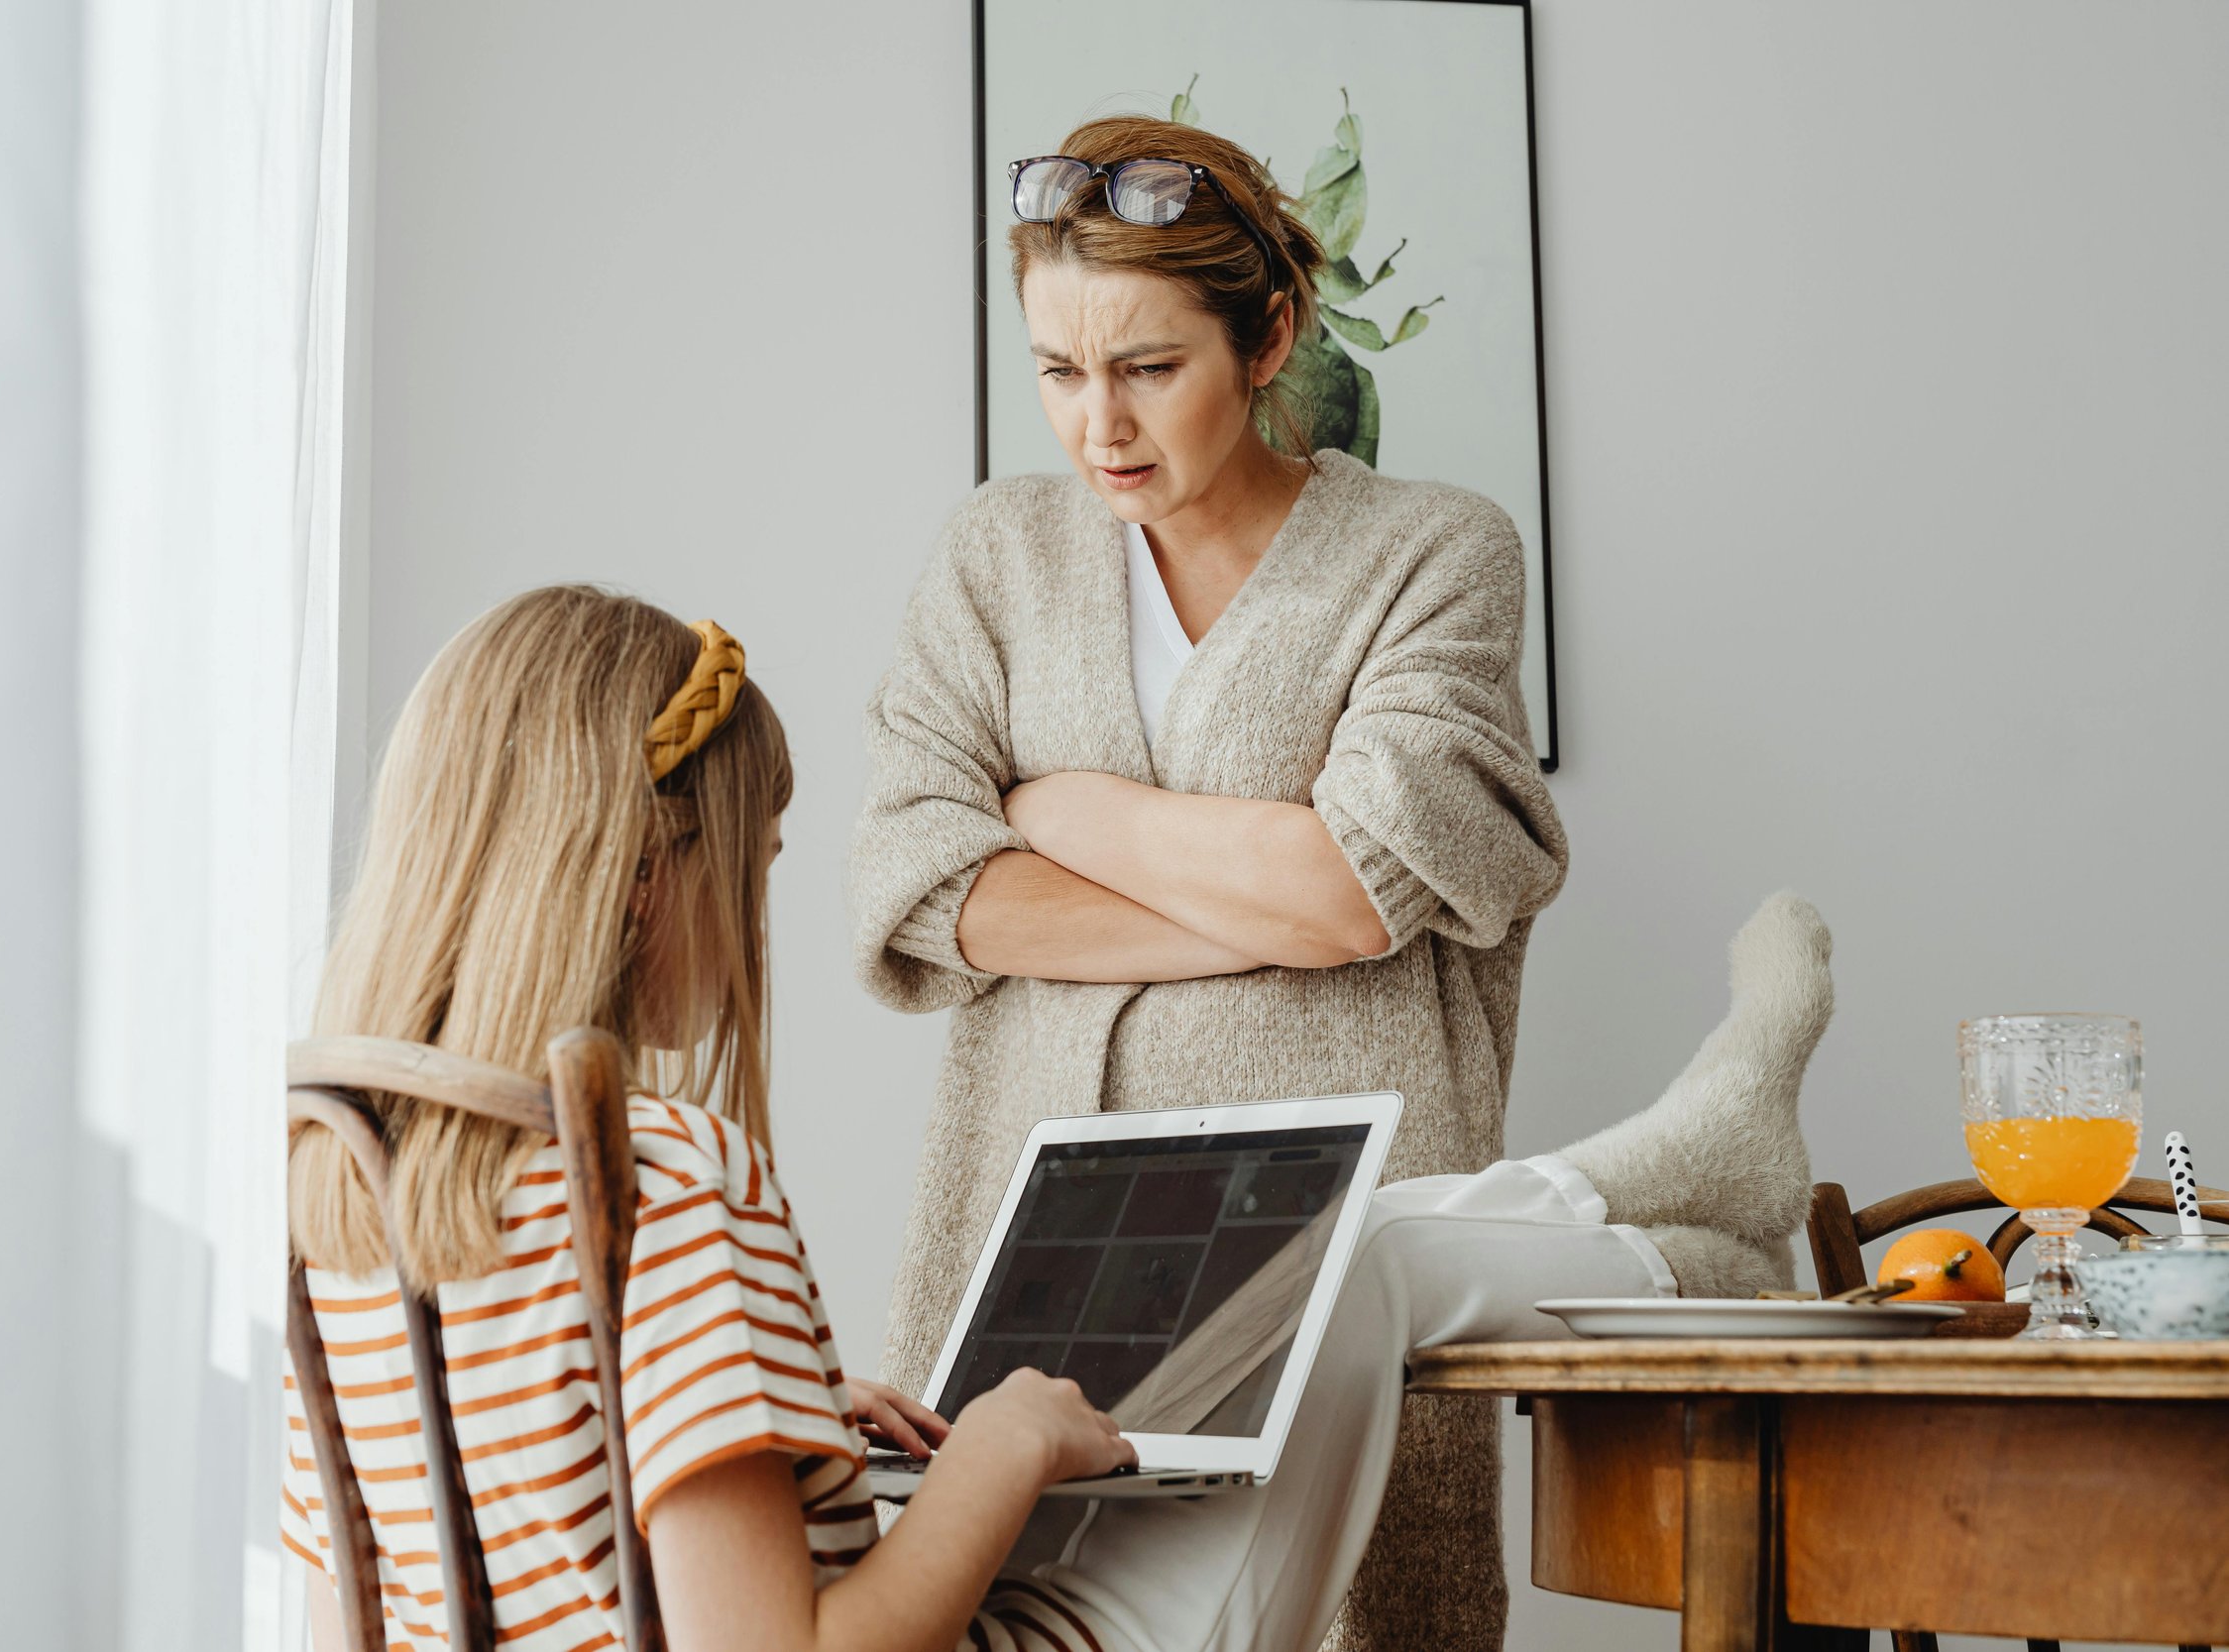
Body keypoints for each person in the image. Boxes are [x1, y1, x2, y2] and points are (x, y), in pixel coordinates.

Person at [281, 586, 1832, 1652]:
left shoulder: (340, 1182)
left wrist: (799, 1435)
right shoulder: (662, 1177)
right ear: (638, 877)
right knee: (1323, 1276)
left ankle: (1686, 1184)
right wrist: (1003, 1451)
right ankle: (1693, 1228)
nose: (760, 908)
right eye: (753, 861)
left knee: (1307, 1271)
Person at [845, 114, 1591, 1648]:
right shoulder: (995, 558)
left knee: (1358, 1614)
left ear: (1270, 338)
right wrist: (1266, 904)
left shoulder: (1434, 553)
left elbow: (1355, 888)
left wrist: (1065, 807)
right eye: (1058, 370)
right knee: (1000, 1615)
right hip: (1028, 1239)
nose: (1095, 424)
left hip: (1329, 1242)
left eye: (1147, 367)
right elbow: (930, 887)